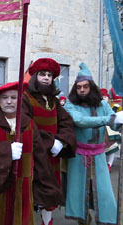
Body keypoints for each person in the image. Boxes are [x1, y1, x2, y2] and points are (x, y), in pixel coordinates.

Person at [0, 82, 63, 225]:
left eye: (14, 97)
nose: (9, 101)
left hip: (24, 185)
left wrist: (47, 186)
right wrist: (5, 151)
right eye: (4, 97)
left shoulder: (28, 123)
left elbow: (40, 156)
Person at [64, 63, 123, 225]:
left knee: (103, 192)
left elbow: (112, 120)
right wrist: (110, 119)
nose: (82, 90)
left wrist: (119, 122)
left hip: (99, 156)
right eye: (78, 87)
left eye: (85, 86)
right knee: (79, 192)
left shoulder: (103, 104)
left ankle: (104, 220)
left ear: (92, 87)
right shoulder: (70, 105)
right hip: (79, 157)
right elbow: (81, 121)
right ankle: (83, 220)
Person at [21, 58, 76, 225]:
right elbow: (26, 124)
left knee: (50, 193)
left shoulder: (54, 101)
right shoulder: (26, 98)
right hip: (32, 154)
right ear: (35, 76)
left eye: (49, 75)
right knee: (30, 192)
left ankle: (47, 222)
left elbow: (66, 122)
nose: (46, 78)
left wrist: (62, 141)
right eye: (42, 74)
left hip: (52, 156)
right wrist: (50, 142)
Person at [101, 88, 121, 173]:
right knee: (102, 148)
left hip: (112, 131)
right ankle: (104, 164)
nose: (104, 98)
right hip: (102, 131)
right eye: (102, 97)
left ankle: (109, 164)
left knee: (112, 147)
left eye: (105, 97)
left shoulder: (113, 107)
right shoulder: (98, 107)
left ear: (108, 98)